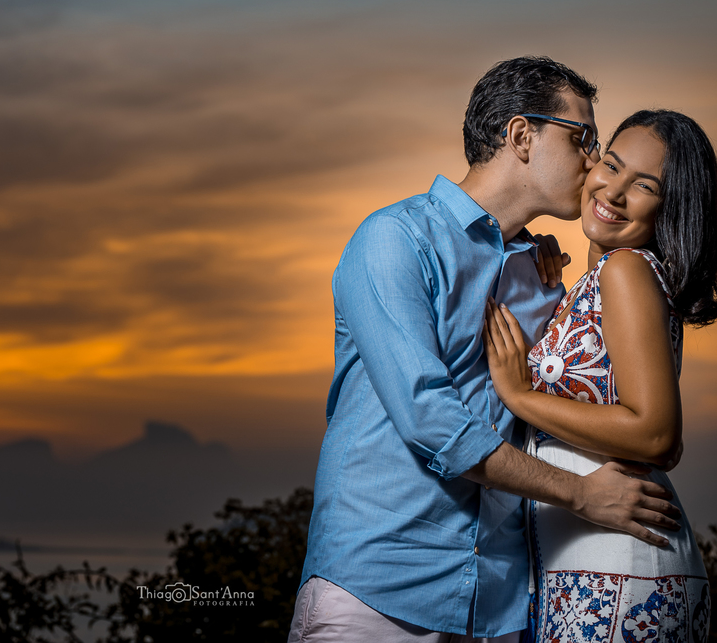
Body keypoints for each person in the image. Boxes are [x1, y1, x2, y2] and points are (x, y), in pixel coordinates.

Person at [290, 57, 682, 643]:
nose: (594, 161)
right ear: (522, 136)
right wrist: (581, 494)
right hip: (379, 589)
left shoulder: (543, 274)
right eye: (583, 139)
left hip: (500, 607)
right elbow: (431, 420)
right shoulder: (395, 239)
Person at [483, 109, 717, 642]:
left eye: (643, 185)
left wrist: (519, 395)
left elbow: (658, 436)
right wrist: (542, 273)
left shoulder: (627, 271)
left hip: (622, 569)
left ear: (671, 209)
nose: (613, 192)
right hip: (586, 567)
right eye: (610, 165)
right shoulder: (602, 279)